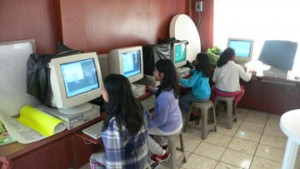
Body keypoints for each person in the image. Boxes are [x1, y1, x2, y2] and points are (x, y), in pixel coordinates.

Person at [89, 74, 148, 169]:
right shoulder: (138, 107)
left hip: (129, 165)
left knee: (93, 158)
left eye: (103, 89)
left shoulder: (114, 124)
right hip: (142, 162)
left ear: (108, 94)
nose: (101, 92)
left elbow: (115, 166)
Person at [146, 59, 183, 164]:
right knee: (150, 117)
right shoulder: (171, 86)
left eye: (155, 70)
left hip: (169, 127)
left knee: (139, 132)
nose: (153, 72)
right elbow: (162, 93)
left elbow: (161, 120)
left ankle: (162, 153)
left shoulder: (164, 96)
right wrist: (153, 90)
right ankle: (161, 144)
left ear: (161, 74)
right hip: (177, 121)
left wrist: (147, 124)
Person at [178, 53, 211, 120]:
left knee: (182, 100)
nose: (194, 60)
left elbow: (189, 83)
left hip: (199, 97)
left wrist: (178, 78)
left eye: (196, 59)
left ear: (199, 62)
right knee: (187, 94)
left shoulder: (198, 73)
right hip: (206, 95)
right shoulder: (204, 71)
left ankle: (192, 114)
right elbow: (195, 72)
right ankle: (193, 109)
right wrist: (189, 70)